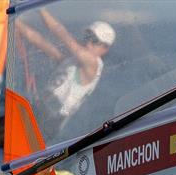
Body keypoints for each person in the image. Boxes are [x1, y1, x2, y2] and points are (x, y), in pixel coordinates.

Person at [16, 9, 116, 137]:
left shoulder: (93, 65)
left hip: (50, 122)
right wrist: (16, 22)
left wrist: (41, 9)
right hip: (39, 111)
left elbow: (61, 33)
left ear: (105, 48)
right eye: (88, 37)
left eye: (95, 40)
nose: (89, 42)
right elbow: (38, 40)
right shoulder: (71, 61)